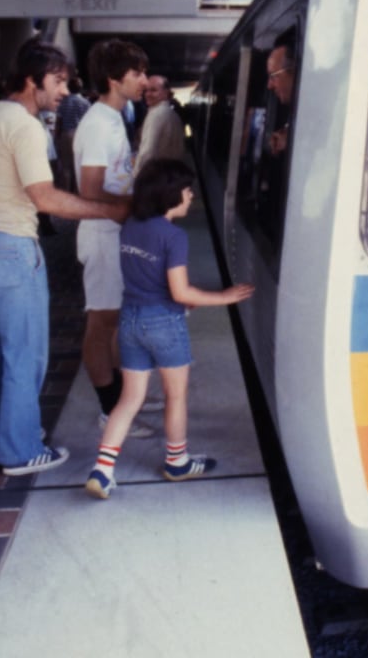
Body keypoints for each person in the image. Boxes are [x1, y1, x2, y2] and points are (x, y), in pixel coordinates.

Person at [0, 37, 127, 476]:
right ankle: (20, 451)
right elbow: (45, 198)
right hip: (12, 248)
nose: (65, 92)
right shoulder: (26, 125)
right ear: (31, 81)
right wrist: (111, 210)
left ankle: (5, 440)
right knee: (25, 353)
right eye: (57, 82)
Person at [85, 158, 253, 498]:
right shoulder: (173, 236)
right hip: (164, 323)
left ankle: (102, 471)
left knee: (129, 399)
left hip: (130, 319)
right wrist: (225, 297)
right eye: (187, 190)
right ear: (170, 195)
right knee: (175, 396)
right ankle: (177, 461)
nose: (191, 196)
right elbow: (180, 292)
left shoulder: (131, 224)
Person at [74, 38, 150, 434]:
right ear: (113, 79)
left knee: (116, 321)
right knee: (101, 324)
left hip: (115, 233)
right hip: (103, 236)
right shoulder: (97, 123)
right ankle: (109, 411)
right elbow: (89, 190)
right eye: (136, 73)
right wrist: (132, 209)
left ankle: (122, 401)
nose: (144, 80)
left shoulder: (115, 117)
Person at [134, 73, 190, 175]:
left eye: (153, 90)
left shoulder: (156, 115)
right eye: (146, 90)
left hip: (156, 177)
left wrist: (136, 176)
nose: (147, 94)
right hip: (170, 174)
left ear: (166, 93)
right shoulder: (171, 113)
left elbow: (147, 152)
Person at [54, 72, 91, 193]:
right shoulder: (85, 103)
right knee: (78, 165)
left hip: (66, 133)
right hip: (80, 135)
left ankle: (66, 191)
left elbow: (58, 120)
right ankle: (77, 191)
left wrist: (57, 136)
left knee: (66, 167)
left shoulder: (63, 102)